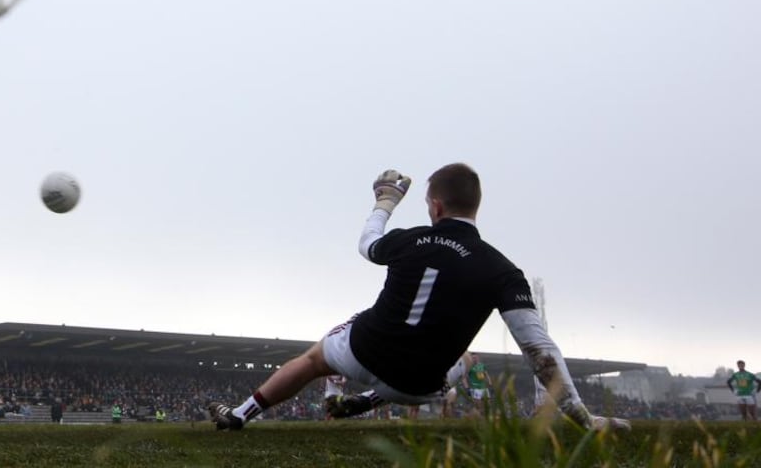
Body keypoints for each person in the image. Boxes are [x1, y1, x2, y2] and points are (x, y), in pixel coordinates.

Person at [208, 164, 630, 431]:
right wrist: (579, 414)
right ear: (475, 206)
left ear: (435, 205)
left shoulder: (413, 239)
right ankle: (372, 400)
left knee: (315, 358)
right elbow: (538, 348)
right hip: (419, 389)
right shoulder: (501, 269)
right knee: (465, 362)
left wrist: (385, 202)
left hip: (361, 353)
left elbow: (367, 244)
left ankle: (240, 414)